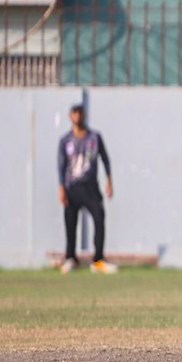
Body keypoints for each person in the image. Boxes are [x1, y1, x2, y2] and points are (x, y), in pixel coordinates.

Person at [57, 103, 118, 275]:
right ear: (70, 116)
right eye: (75, 113)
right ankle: (71, 258)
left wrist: (109, 181)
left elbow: (105, 159)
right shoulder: (65, 140)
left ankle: (98, 260)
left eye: (80, 113)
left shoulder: (94, 137)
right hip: (72, 186)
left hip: (90, 186)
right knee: (70, 223)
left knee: (99, 217)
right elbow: (61, 165)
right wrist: (61, 188)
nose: (78, 116)